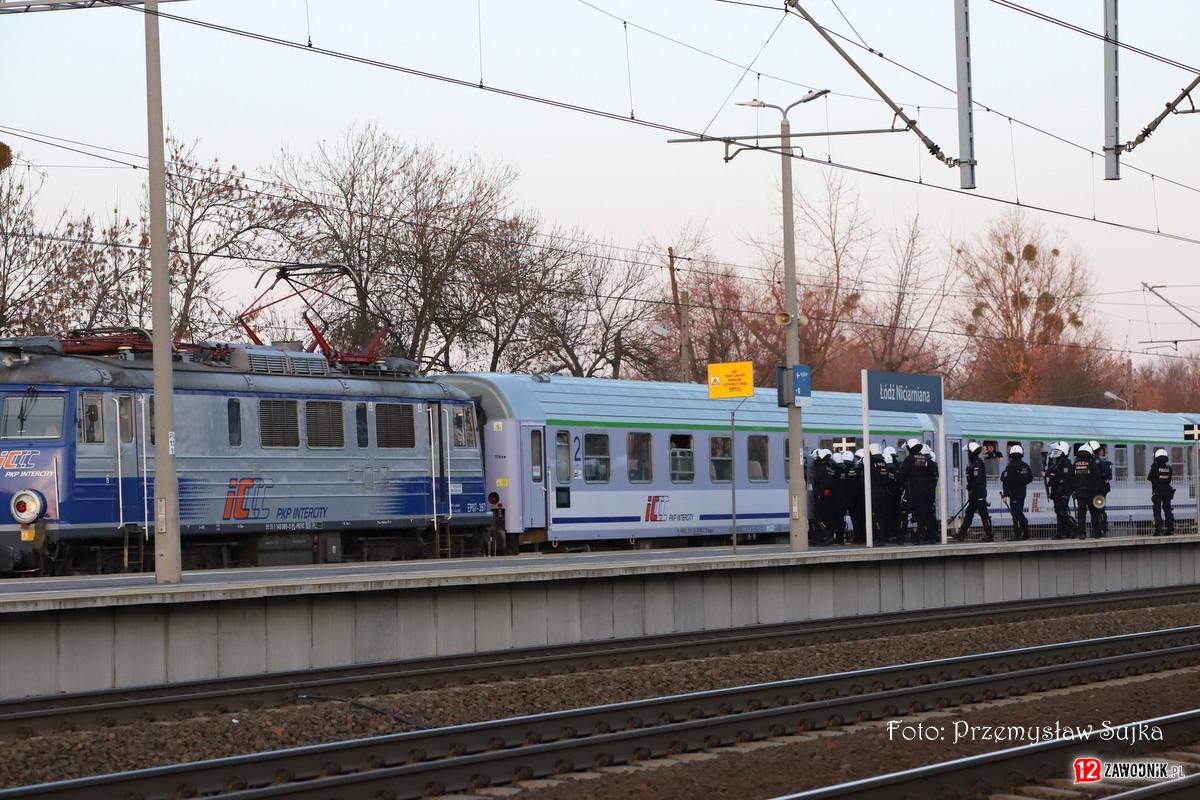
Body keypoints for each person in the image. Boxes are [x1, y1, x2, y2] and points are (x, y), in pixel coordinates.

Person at [899, 438, 939, 544]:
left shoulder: (909, 459)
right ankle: (920, 537)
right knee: (922, 516)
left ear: (910, 448)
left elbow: (902, 473)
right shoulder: (925, 459)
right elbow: (933, 475)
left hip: (911, 492)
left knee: (904, 513)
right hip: (924, 494)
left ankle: (901, 538)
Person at [955, 441, 993, 542]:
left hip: (978, 493)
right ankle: (961, 534)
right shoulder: (973, 463)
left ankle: (989, 535)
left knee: (983, 513)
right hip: (975, 493)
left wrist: (973, 492)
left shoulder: (977, 464)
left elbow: (977, 481)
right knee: (969, 513)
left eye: (968, 452)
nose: (967, 454)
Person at [1001, 444, 1034, 540]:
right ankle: (1024, 533)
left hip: (1014, 493)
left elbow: (1006, 481)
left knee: (1016, 514)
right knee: (1018, 512)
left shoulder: (1010, 466)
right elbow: (1030, 478)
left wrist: (1005, 494)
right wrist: (1023, 484)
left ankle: (1019, 534)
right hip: (1023, 492)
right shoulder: (1025, 466)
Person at [1073, 444, 1105, 539]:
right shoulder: (1092, 464)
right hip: (1092, 493)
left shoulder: (1075, 464)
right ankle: (1097, 533)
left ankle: (1082, 534)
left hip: (1080, 493)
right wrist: (1098, 490)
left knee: (1081, 514)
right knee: (1094, 513)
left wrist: (1073, 490)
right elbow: (1097, 478)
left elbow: (1071, 478)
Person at [1045, 442, 1076, 539]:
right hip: (1056, 491)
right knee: (1058, 512)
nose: (1055, 454)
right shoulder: (1057, 462)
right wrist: (1047, 473)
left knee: (1062, 512)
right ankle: (1062, 533)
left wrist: (1050, 475)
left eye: (1058, 452)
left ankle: (1074, 528)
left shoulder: (1066, 463)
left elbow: (1064, 477)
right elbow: (1050, 471)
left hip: (1063, 491)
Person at [869, 443, 896, 544]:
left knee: (875, 516)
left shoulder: (871, 463)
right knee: (882, 515)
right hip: (883, 492)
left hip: (874, 492)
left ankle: (879, 538)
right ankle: (883, 536)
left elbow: (866, 480)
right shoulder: (883, 462)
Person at [1148, 448, 1175, 535]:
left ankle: (1158, 530)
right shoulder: (1169, 468)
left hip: (1157, 491)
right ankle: (1169, 529)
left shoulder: (1155, 466)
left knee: (1157, 510)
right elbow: (1169, 480)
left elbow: (1149, 477)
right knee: (1168, 510)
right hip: (1167, 491)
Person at [810, 449, 834, 544]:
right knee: (825, 517)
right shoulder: (830, 468)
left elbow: (815, 481)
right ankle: (824, 537)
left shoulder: (820, 469)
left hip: (820, 497)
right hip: (828, 497)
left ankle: (827, 534)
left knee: (817, 517)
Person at [1090, 440, 1112, 536]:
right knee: (1100, 509)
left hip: (1096, 489)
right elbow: (1108, 477)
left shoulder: (1092, 462)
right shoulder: (1105, 462)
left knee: (1097, 510)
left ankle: (1099, 529)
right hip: (1102, 489)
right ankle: (1101, 529)